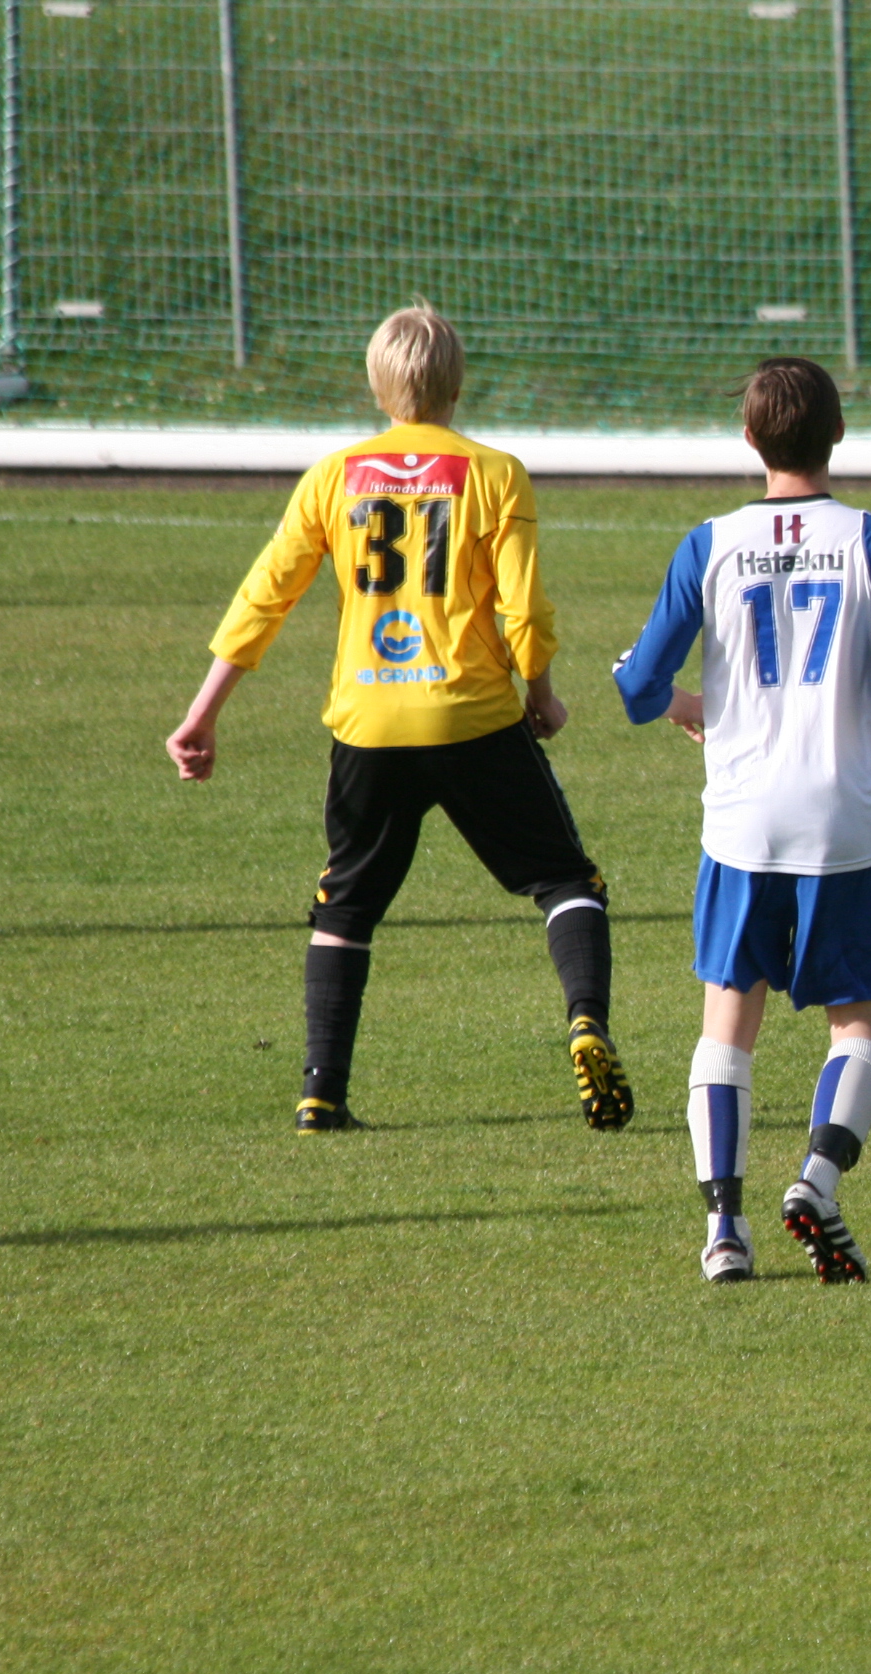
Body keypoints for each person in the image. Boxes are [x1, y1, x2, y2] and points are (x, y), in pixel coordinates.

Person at [164, 302, 632, 1133]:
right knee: (566, 882)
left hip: (369, 723)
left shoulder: (334, 475)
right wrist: (541, 693)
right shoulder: (495, 473)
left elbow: (265, 595)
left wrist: (202, 714)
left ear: (377, 386)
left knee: (344, 907)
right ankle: (586, 1022)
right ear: (458, 384)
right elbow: (524, 607)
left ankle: (320, 1094)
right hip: (472, 716)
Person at [611, 358, 871, 1286]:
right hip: (847, 818)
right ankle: (818, 1181)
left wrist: (685, 706)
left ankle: (724, 1231)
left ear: (749, 439)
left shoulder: (709, 544)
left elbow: (638, 686)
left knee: (728, 1024)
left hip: (742, 822)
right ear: (838, 435)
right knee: (859, 1028)